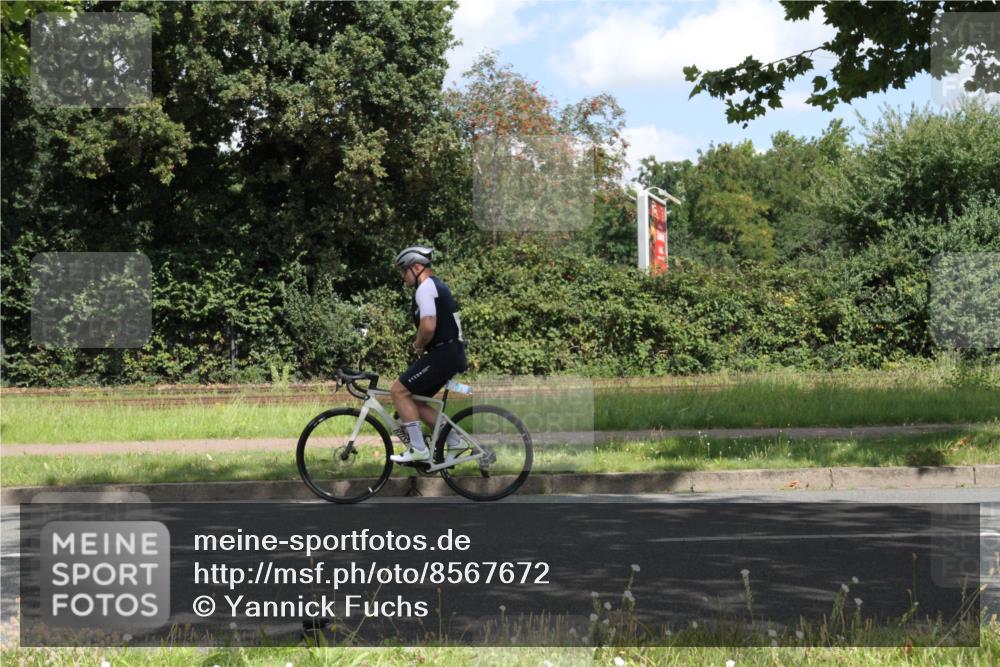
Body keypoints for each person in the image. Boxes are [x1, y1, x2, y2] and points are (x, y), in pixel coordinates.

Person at [388, 245, 468, 463]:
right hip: (451, 352)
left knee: (398, 391)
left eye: (404, 271)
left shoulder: (425, 288)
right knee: (414, 399)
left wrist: (418, 345)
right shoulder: (435, 286)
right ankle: (454, 441)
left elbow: (428, 326)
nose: (404, 277)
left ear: (416, 267)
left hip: (445, 352)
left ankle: (418, 449)